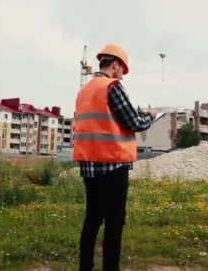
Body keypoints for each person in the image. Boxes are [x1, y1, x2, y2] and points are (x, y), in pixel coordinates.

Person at [73, 44, 156, 271]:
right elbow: (134, 123)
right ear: (116, 65)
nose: (122, 75)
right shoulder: (112, 87)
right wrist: (150, 116)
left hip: (89, 165)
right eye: (123, 70)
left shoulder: (84, 91)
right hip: (113, 165)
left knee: (92, 221)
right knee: (114, 223)